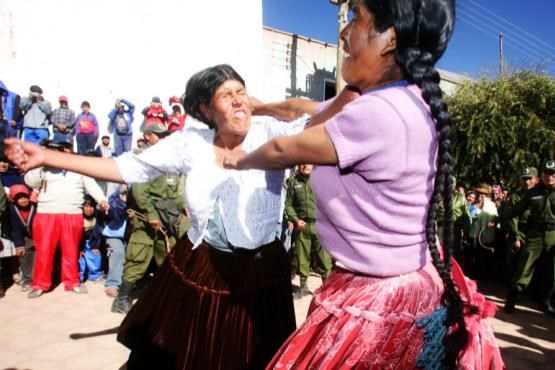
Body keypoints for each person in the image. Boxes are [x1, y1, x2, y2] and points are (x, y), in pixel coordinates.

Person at [3, 64, 358, 369]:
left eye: (241, 91)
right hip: (201, 266)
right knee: (188, 353)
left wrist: (264, 107)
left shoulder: (273, 132)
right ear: (206, 108)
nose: (238, 100)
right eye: (226, 95)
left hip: (261, 271)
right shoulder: (191, 143)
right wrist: (47, 157)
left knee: (252, 354)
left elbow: (327, 110)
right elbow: (125, 167)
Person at [224, 1, 503, 368]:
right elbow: (305, 109)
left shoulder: (375, 114)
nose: (344, 30)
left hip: (375, 299)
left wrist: (235, 159)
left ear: (389, 39)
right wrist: (260, 108)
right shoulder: (411, 101)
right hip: (413, 281)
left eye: (356, 17)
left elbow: (281, 150)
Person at [111, 122, 183, 314]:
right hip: (145, 218)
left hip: (166, 217)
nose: (163, 138)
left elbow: (175, 191)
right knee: (138, 256)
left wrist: (179, 212)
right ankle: (122, 299)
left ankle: (163, 298)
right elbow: (140, 191)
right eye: (159, 135)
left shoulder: (169, 161)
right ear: (148, 136)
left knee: (169, 258)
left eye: (165, 135)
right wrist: (151, 214)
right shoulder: (143, 158)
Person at [22, 139, 108, 298]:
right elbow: (29, 181)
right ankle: (40, 284)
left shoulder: (78, 168)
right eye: (59, 149)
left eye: (65, 149)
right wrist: (42, 162)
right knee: (44, 251)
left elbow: (91, 185)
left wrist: (102, 200)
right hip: (47, 214)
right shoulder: (44, 167)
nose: (63, 152)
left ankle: (72, 281)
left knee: (71, 250)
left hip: (72, 214)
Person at [502, 160, 555, 314]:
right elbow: (517, 209)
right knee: (524, 268)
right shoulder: (534, 192)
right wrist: (499, 219)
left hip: (553, 235)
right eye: (546, 172)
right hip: (536, 235)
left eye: (552, 173)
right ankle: (511, 300)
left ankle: (546, 301)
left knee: (553, 272)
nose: (549, 176)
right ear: (542, 175)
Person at [285, 163, 332, 298]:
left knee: (324, 259)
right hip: (302, 226)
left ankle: (327, 291)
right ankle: (303, 288)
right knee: (302, 258)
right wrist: (295, 219)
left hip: (320, 226)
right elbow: (288, 204)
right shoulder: (294, 183)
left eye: (307, 162)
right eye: (301, 163)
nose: (304, 165)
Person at [7, 184, 36, 291]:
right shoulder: (12, 209)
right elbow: (14, 229)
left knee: (39, 255)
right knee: (24, 253)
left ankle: (40, 278)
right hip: (23, 236)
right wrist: (19, 245)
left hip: (37, 235)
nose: (23, 199)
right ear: (14, 199)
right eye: (19, 198)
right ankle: (28, 279)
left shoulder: (35, 206)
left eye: (24, 196)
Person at [78, 195, 104, 283]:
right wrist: (79, 248)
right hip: (79, 242)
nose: (88, 209)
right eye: (86, 206)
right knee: (80, 258)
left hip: (92, 241)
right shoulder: (78, 216)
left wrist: (95, 246)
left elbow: (98, 232)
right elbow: (77, 235)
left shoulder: (98, 216)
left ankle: (94, 275)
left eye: (91, 206)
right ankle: (80, 276)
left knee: (95, 255)